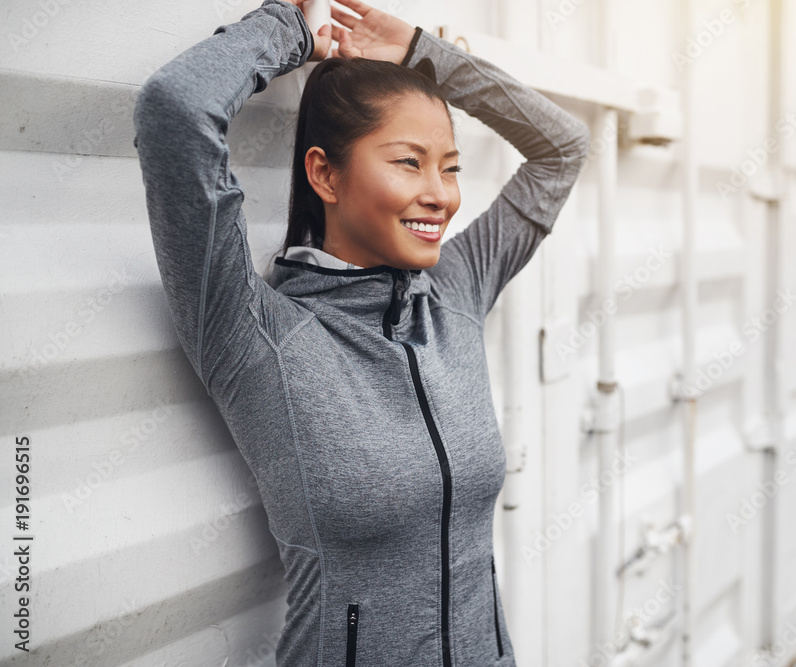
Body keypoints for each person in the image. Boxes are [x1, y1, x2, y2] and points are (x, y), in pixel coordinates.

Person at [131, 0, 590, 664]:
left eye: (451, 166)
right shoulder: (257, 332)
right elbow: (175, 110)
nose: (442, 194)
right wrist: (288, 29)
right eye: (409, 162)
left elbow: (563, 149)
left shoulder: (455, 291)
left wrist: (425, 55)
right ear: (325, 173)